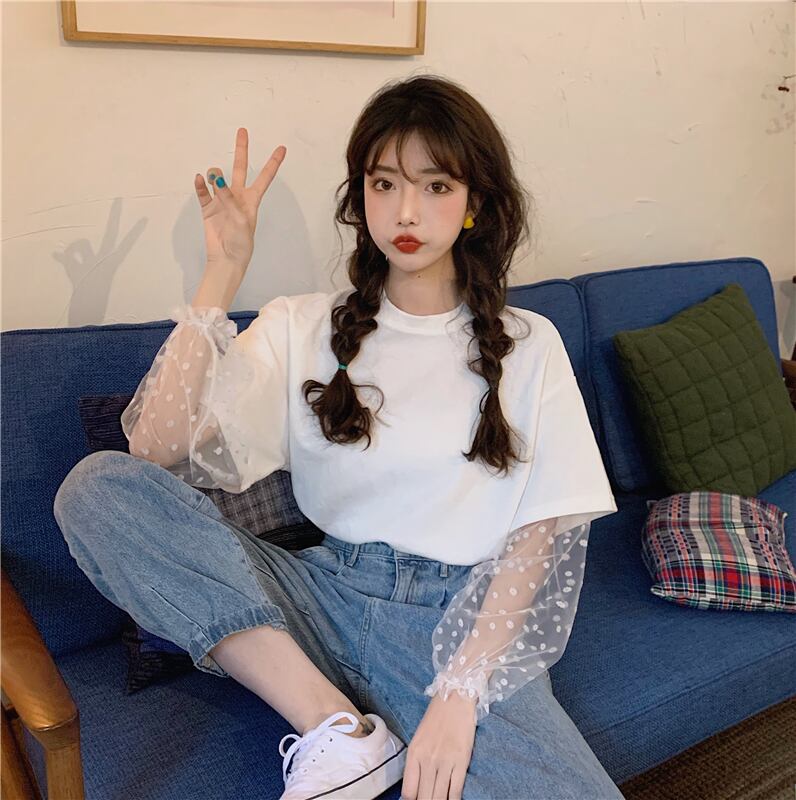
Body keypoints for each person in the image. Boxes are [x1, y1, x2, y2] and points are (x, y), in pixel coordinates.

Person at [53, 73, 624, 800]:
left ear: (475, 202)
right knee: (97, 488)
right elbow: (152, 450)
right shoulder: (302, 326)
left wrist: (460, 691)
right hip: (316, 598)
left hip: (448, 622)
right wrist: (221, 274)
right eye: (384, 184)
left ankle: (375, 725)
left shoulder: (529, 343)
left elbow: (537, 536)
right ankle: (337, 730)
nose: (405, 211)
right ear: (361, 197)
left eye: (436, 186)